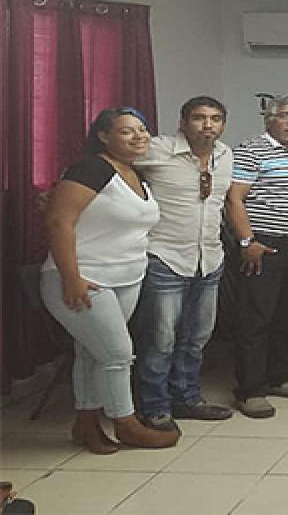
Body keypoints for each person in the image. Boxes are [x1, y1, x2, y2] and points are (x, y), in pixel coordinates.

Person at [40, 107, 179, 453]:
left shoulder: (135, 174)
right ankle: (126, 423)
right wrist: (71, 279)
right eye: (127, 131)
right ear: (103, 136)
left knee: (92, 353)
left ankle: (85, 426)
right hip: (83, 277)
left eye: (143, 130)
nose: (139, 137)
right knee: (118, 354)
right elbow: (60, 223)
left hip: (127, 277)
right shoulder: (90, 169)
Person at [133, 96, 234, 432]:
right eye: (199, 118)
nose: (208, 125)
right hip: (165, 257)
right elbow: (108, 167)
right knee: (160, 340)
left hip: (209, 259)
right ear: (183, 122)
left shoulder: (225, 155)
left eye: (215, 119)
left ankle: (187, 398)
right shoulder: (157, 150)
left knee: (196, 337)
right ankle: (154, 407)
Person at [226, 95, 288, 418]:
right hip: (262, 246)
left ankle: (277, 377)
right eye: (285, 116)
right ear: (269, 119)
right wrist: (246, 242)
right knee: (256, 318)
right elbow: (234, 200)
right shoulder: (251, 151)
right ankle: (250, 390)